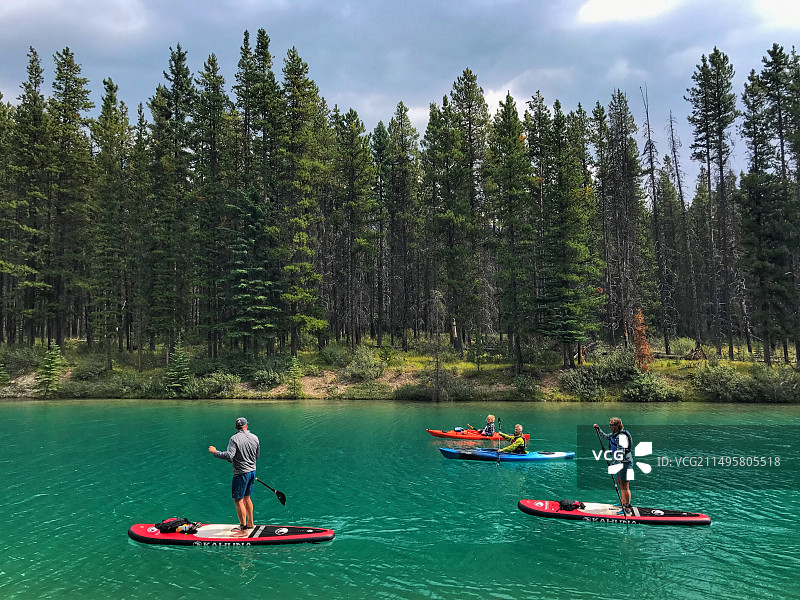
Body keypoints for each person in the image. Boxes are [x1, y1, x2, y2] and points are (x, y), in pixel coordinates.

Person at [209, 417, 260, 532]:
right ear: (246, 426)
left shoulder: (234, 439)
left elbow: (229, 455)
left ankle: (243, 527)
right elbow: (256, 456)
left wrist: (215, 452)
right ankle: (250, 523)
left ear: (236, 427)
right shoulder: (255, 437)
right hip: (252, 471)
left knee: (238, 500)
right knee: (247, 497)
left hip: (241, 473)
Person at [593, 417, 633, 514]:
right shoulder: (615, 434)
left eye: (611, 425)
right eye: (609, 424)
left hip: (625, 463)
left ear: (617, 425)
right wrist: (598, 429)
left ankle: (627, 508)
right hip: (620, 463)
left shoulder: (621, 437)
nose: (609, 426)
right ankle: (623, 502)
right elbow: (605, 436)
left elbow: (620, 453)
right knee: (620, 482)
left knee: (625, 485)